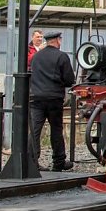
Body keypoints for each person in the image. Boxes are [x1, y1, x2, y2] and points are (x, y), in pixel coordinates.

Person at [29, 30, 76, 171]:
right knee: (56, 129)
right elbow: (69, 79)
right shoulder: (61, 56)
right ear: (57, 40)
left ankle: (32, 161)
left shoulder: (36, 57)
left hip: (36, 98)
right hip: (54, 99)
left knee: (35, 130)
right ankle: (59, 162)